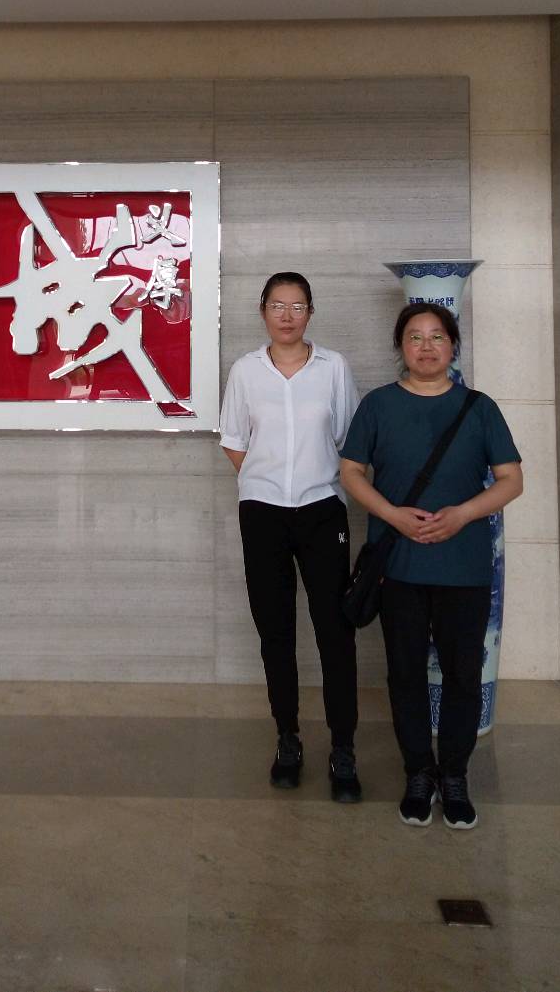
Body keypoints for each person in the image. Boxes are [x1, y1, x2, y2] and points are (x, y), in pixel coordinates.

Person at [339, 302, 523, 830]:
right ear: (401, 346)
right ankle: (419, 772)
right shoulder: (378, 405)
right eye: (415, 337)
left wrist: (463, 513)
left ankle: (455, 775)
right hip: (398, 565)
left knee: (464, 675)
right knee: (404, 674)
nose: (426, 346)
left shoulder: (479, 408)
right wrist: (392, 514)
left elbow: (512, 480)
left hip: (464, 567)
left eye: (437, 336)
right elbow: (350, 471)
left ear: (452, 346)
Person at [220, 271, 362, 803]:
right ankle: (288, 739)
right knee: (275, 630)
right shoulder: (245, 371)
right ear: (263, 311)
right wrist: (266, 480)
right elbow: (234, 440)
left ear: (310, 313)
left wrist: (309, 480)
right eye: (278, 305)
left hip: (323, 509)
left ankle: (343, 747)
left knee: (335, 630)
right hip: (263, 514)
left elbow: (350, 438)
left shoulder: (333, 368)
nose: (287, 315)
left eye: (297, 306)